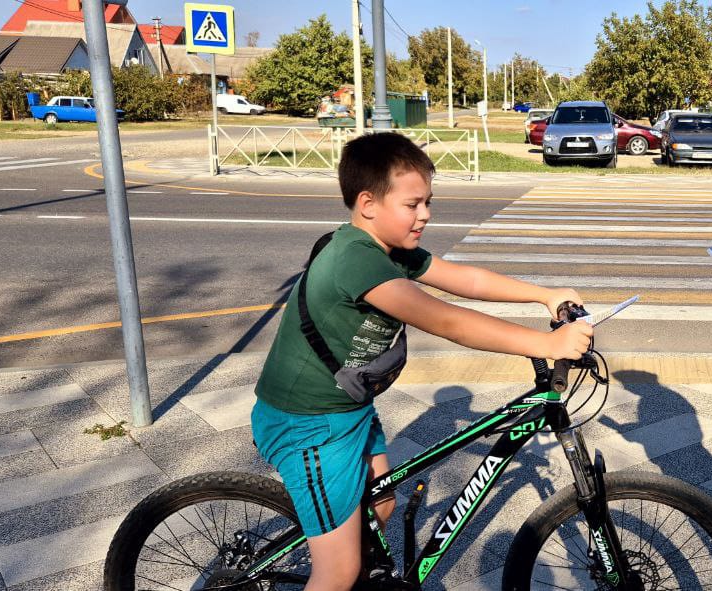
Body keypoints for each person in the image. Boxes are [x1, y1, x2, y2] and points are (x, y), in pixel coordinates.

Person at [250, 132, 593, 591]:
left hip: (348, 411)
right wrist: (545, 345)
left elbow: (464, 279)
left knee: (383, 505)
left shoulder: (390, 251)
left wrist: (543, 295)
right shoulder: (356, 259)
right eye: (413, 204)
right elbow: (446, 320)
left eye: (428, 201)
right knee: (338, 571)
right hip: (308, 424)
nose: (426, 214)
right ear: (368, 203)